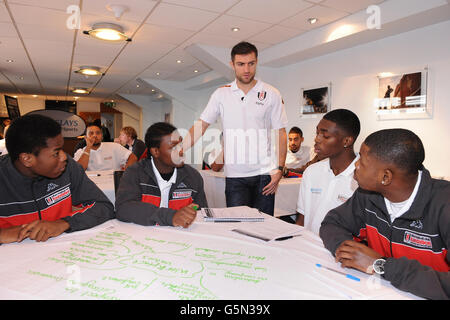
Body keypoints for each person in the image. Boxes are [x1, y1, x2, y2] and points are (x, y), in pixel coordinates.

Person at [320, 129, 449, 300]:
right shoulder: (367, 195)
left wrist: (382, 265)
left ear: (385, 177)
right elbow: (332, 223)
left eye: (362, 162)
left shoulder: (443, 205)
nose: (355, 166)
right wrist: (349, 253)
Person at [183, 41, 288, 215]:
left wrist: (280, 169)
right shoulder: (221, 94)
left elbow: (281, 132)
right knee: (237, 227)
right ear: (232, 65)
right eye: (241, 64)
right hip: (235, 176)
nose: (246, 70)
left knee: (266, 226)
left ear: (256, 62)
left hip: (265, 174)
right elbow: (202, 124)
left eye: (251, 64)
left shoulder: (271, 93)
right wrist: (182, 147)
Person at [0, 114, 114, 245]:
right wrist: (3, 234)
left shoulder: (68, 167)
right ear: (27, 159)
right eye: (56, 152)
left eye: (62, 149)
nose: (64, 157)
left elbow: (103, 206)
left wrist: (63, 224)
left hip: (62, 255)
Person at [115, 122, 207, 228]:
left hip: (181, 239)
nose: (181, 151)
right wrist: (170, 217)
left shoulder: (193, 177)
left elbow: (202, 214)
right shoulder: (135, 173)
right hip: (143, 238)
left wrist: (191, 213)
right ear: (155, 151)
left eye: (181, 145)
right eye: (174, 147)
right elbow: (123, 208)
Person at [295, 109, 360, 234]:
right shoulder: (311, 172)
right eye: (317, 133)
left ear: (346, 141)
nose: (317, 139)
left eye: (325, 136)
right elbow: (301, 221)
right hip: (308, 247)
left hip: (338, 251)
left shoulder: (363, 179)